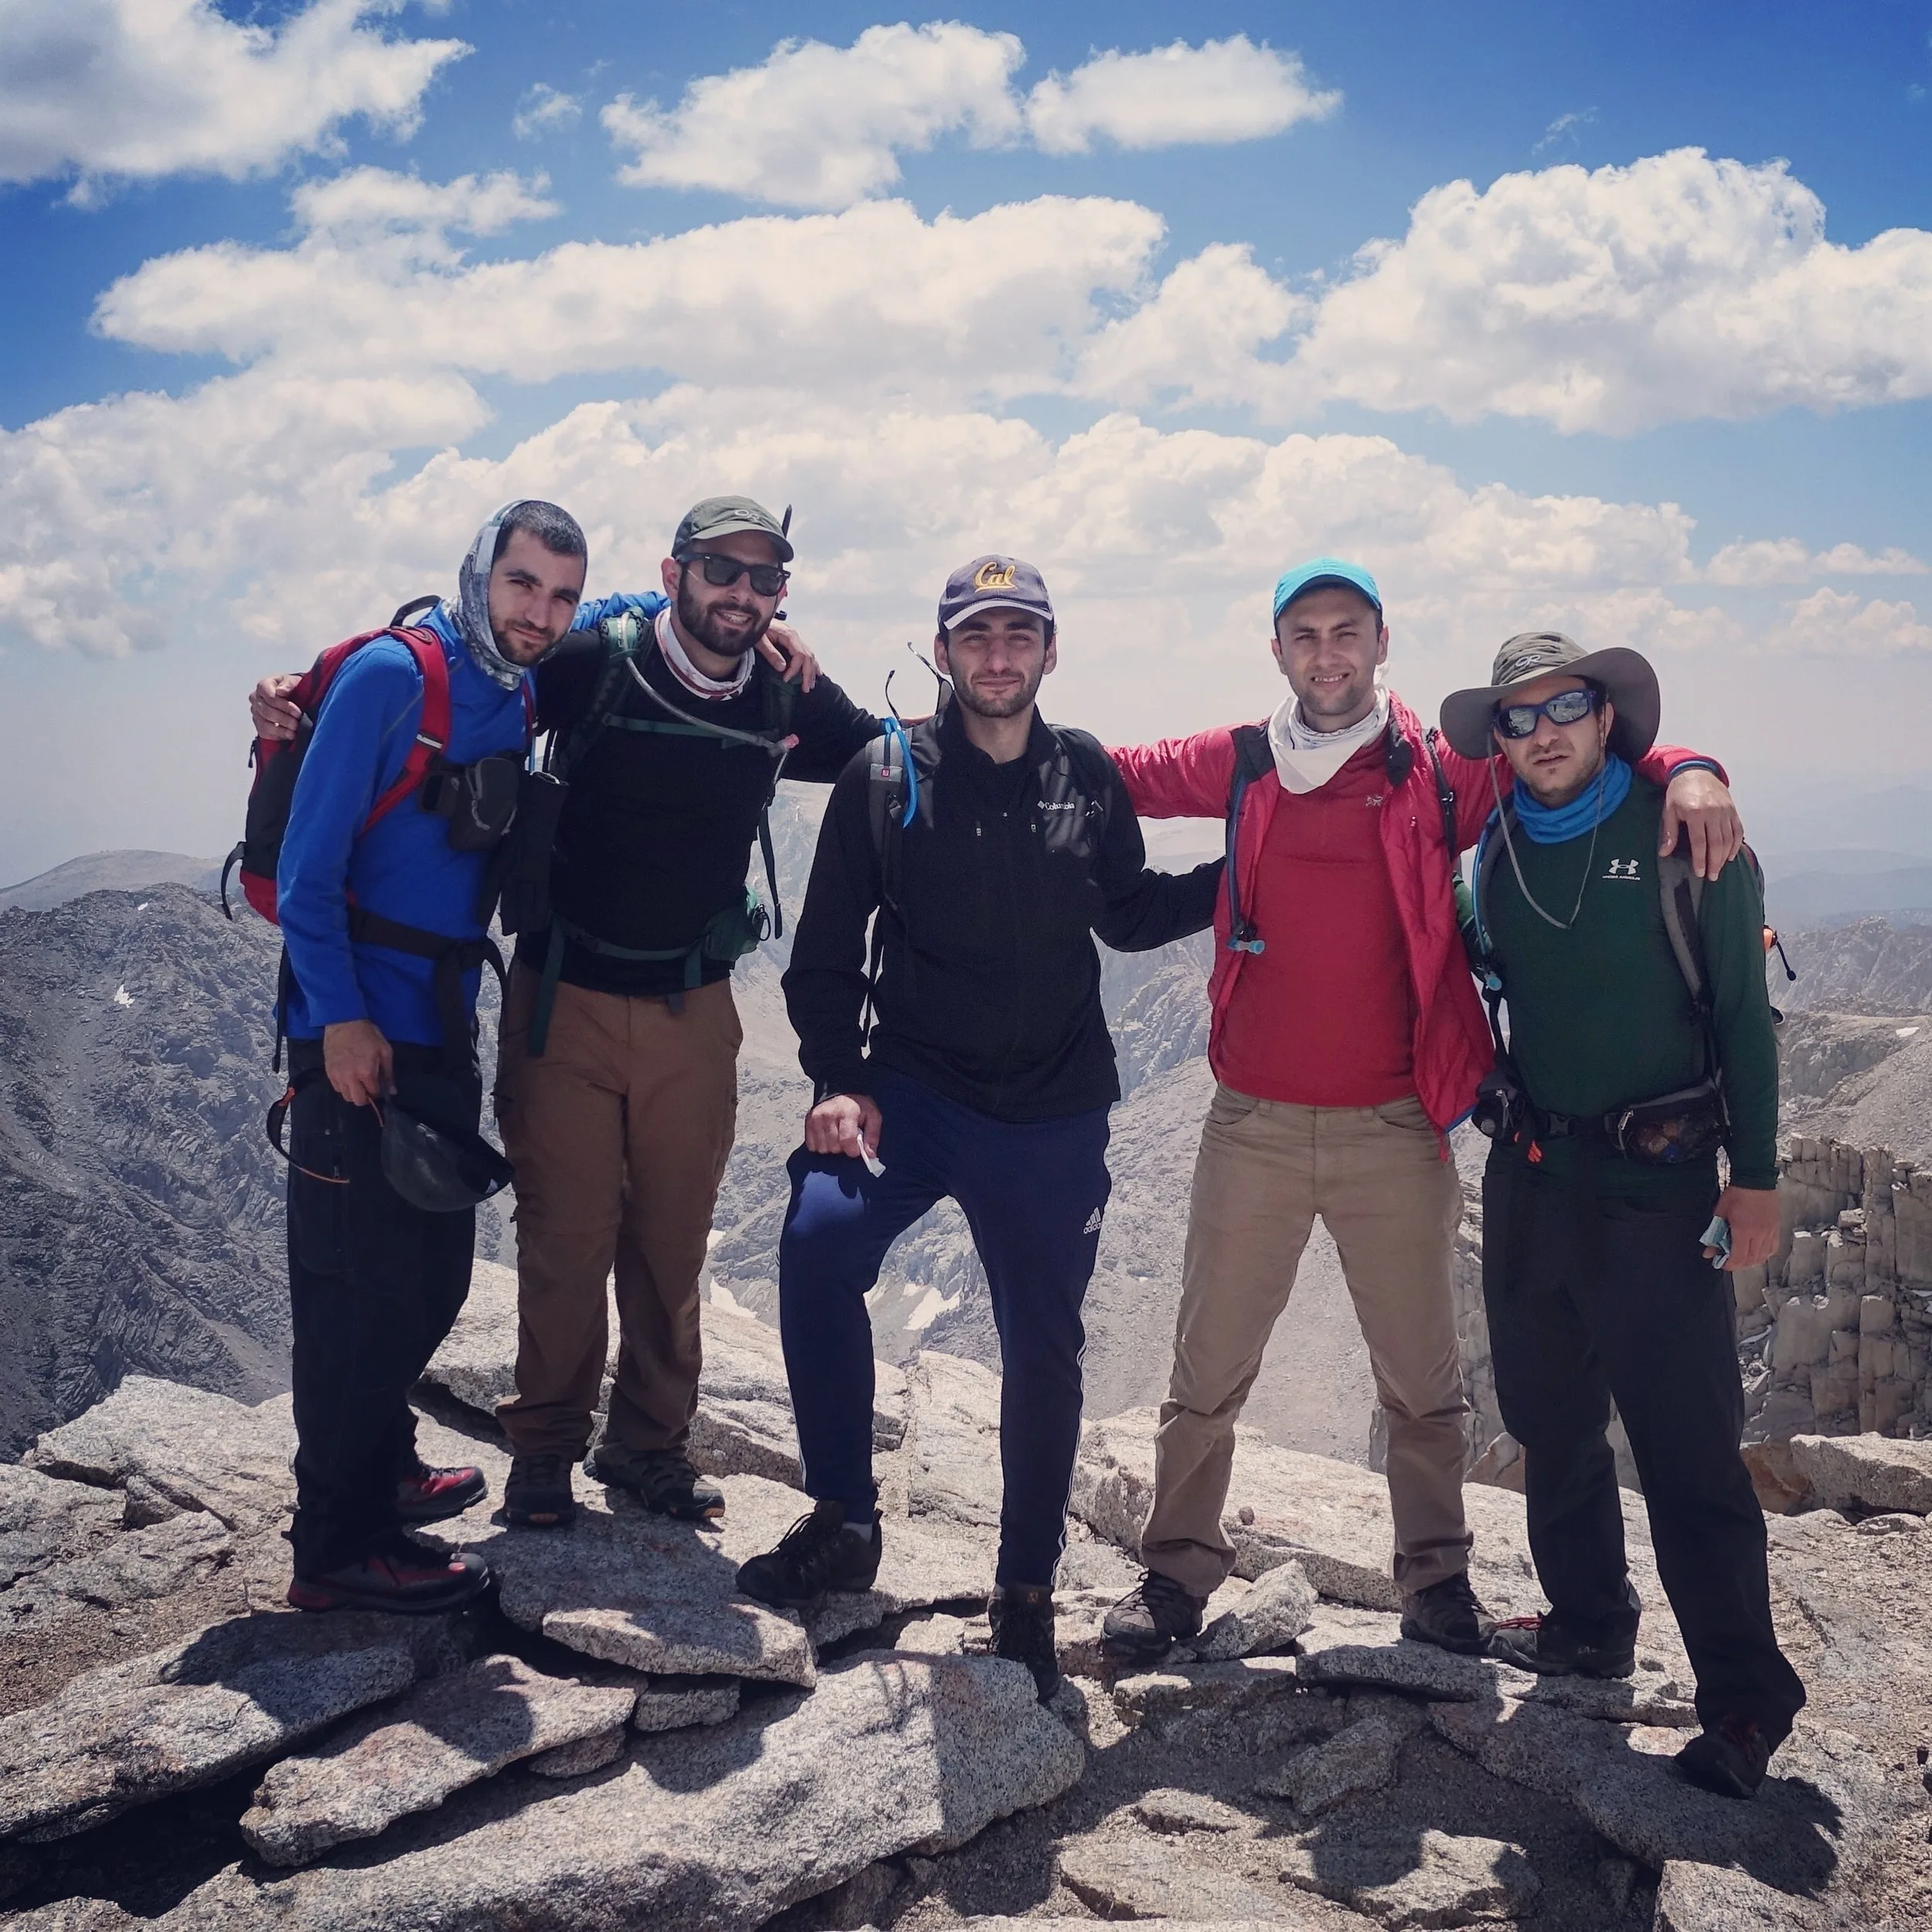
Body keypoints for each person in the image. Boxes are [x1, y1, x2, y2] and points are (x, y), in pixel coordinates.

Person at [1096, 559, 1743, 1665]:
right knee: (1206, 1377)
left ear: (1382, 642)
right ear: (1278, 651)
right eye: (1305, 635)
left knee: (1422, 1385)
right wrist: (927, 730)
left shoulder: (1443, 770)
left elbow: (1594, 750)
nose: (1328, 653)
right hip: (1250, 1120)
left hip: (1395, 1124)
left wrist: (1694, 769)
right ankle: (1174, 1575)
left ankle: (1436, 1581)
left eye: (1347, 632)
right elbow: (1105, 775)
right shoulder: (1247, 760)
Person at [252, 495, 869, 1536]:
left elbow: (891, 753)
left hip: (695, 1005)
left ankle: (646, 1449)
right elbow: (485, 650)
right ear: (675, 574)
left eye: (767, 581)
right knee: (566, 1237)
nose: (745, 594)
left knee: (672, 1244)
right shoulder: (584, 662)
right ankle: (542, 1449)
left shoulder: (781, 690)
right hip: (561, 999)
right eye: (723, 571)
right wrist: (294, 702)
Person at [734, 556, 1220, 1699]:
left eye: (1020, 637)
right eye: (977, 637)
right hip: (912, 1093)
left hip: (1052, 1111)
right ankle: (846, 1519)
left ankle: (1025, 1590)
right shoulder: (883, 773)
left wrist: (1245, 878)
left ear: (1051, 651)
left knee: (1043, 1347)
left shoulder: (1085, 772)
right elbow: (822, 958)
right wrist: (839, 1081)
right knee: (815, 1245)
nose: (998, 658)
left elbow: (1133, 912)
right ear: (944, 648)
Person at [1439, 632, 1804, 1800]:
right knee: (1549, 1415)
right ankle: (1590, 1622)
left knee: (1687, 1445)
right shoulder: (1488, 846)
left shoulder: (1682, 830)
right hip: (1537, 1176)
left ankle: (1746, 1706)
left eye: (1566, 707)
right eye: (1519, 717)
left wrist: (1755, 1179)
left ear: (1608, 718)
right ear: (1498, 740)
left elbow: (1745, 1018)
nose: (1543, 732)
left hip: (1660, 1188)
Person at [276, 499, 587, 1611]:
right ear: (479, 574)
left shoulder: (508, 691)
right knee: (363, 1283)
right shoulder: (395, 681)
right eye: (521, 585)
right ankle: (340, 1543)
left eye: (561, 594)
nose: (539, 613)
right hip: (360, 1027)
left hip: (439, 1019)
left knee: (426, 1267)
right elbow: (309, 874)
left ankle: (383, 1466)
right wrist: (342, 1019)